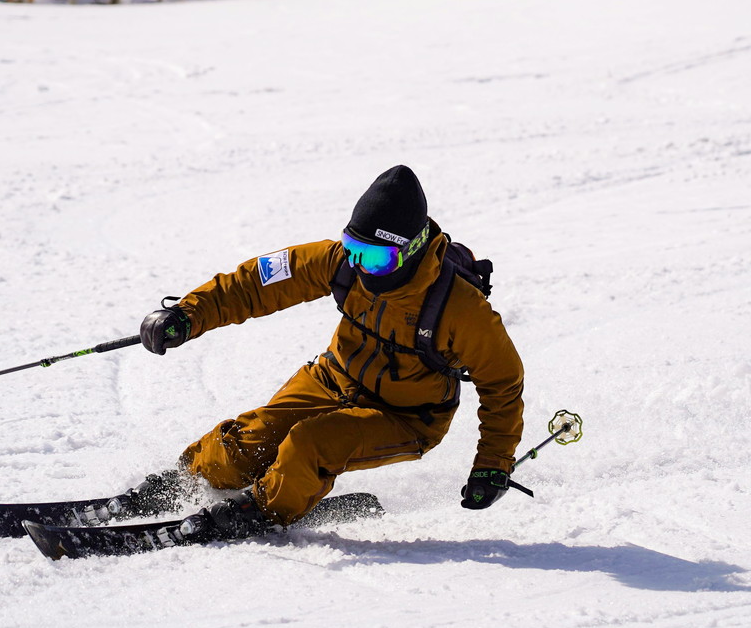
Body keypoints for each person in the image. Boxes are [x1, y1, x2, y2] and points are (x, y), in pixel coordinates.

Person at [137, 165, 526, 540]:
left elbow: (503, 385)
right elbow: (256, 283)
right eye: (355, 249)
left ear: (411, 250)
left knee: (311, 444)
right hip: (333, 377)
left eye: (376, 259)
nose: (360, 267)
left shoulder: (461, 309)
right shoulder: (340, 263)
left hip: (405, 416)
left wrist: (493, 464)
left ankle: (260, 511)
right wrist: (189, 315)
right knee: (247, 444)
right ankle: (186, 481)